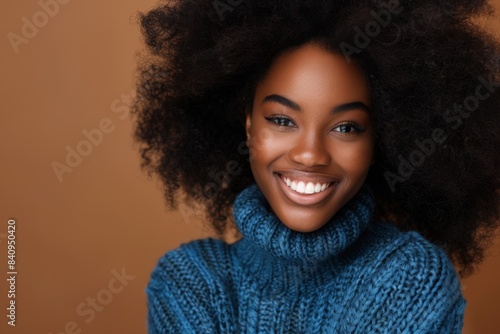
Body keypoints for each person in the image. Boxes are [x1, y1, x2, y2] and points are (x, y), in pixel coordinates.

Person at [132, 0, 500, 332]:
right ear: (249, 126)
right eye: (282, 120)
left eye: (346, 127)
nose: (310, 154)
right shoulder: (188, 282)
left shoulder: (411, 278)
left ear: (380, 141)